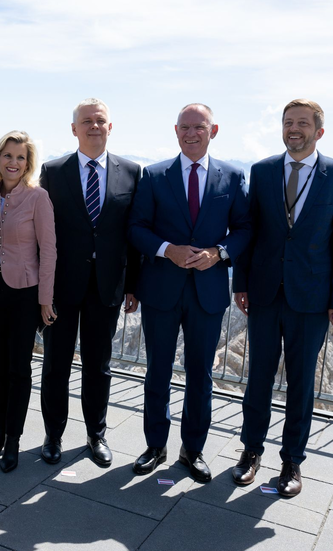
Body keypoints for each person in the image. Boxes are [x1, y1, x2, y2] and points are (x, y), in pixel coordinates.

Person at [232, 99, 333, 497]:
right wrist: (241, 283)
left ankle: (292, 462)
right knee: (259, 381)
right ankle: (250, 452)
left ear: (319, 130)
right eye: (288, 122)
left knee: (301, 385)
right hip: (265, 293)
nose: (294, 128)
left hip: (312, 298)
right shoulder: (263, 170)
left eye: (302, 122)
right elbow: (249, 230)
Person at [128, 103, 251, 482]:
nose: (191, 133)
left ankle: (192, 450)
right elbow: (137, 227)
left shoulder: (232, 177)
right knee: (157, 372)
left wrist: (218, 253)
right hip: (161, 290)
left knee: (200, 375)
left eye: (200, 127)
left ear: (213, 131)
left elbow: (245, 229)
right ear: (176, 130)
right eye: (185, 127)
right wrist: (168, 249)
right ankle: (155, 446)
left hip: (208, 294)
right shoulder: (154, 174)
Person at [38, 98, 140, 467]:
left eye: (100, 121)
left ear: (110, 127)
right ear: (74, 129)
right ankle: (53, 435)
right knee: (56, 364)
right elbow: (43, 235)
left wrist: (133, 285)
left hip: (107, 286)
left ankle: (96, 435)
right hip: (62, 287)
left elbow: (132, 234)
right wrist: (43, 289)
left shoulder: (132, 172)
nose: (94, 126)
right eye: (86, 121)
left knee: (99, 366)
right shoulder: (53, 170)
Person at [0, 131, 56, 472]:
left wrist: (46, 299)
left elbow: (49, 251)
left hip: (25, 293)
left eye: (20, 157)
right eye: (8, 155)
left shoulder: (39, 198)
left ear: (28, 163)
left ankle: (13, 442)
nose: (13, 162)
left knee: (18, 370)